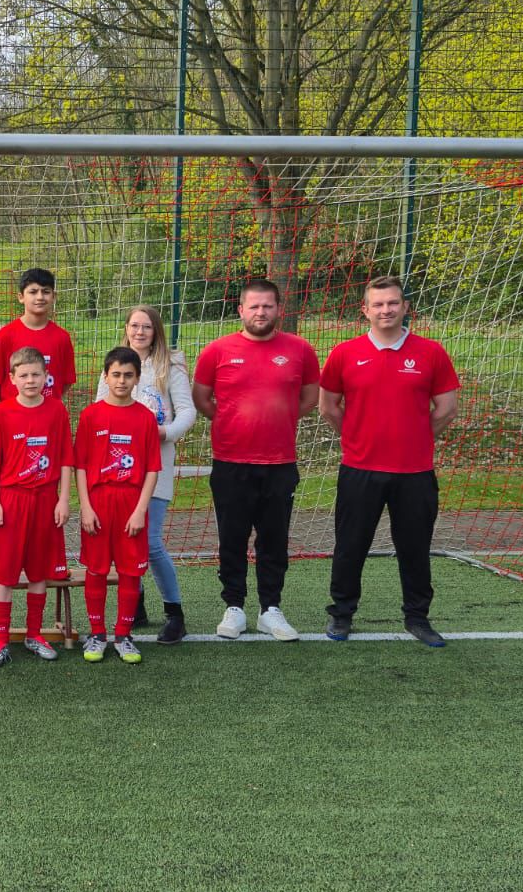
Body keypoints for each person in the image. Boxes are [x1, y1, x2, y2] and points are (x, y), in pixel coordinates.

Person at [318, 275, 461, 646]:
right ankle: (342, 614)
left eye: (393, 303)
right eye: (378, 304)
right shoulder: (344, 353)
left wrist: (417, 437)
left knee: (415, 547)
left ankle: (417, 618)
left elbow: (446, 407)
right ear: (365, 310)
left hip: (415, 472)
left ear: (405, 307)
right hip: (360, 469)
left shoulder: (431, 352)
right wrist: (355, 437)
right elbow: (328, 406)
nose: (386, 310)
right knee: (351, 545)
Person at [191, 278, 320, 642]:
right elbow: (202, 398)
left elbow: (309, 397)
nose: (261, 312)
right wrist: (233, 419)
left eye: (268, 306)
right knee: (231, 537)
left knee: (274, 539)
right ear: (241, 311)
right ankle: (234, 607)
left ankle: (270, 609)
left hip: (279, 462)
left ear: (279, 309)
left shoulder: (299, 349)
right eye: (254, 306)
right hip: (231, 462)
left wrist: (277, 418)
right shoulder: (217, 350)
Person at [95, 305, 197, 643]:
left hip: (156, 462)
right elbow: (100, 411)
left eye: (147, 327)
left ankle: (175, 613)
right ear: (126, 328)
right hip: (118, 469)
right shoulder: (115, 364)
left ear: (156, 331)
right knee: (126, 539)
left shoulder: (171, 363)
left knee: (150, 541)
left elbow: (187, 410)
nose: (140, 332)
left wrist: (164, 433)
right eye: (134, 326)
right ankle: (134, 607)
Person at [0, 346, 73, 666]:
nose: (31, 380)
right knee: (5, 575)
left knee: (38, 572)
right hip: (11, 498)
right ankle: (0, 639)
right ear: (12, 379)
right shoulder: (2, 413)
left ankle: (34, 634)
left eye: (36, 374)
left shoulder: (57, 411)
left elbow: (65, 458)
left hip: (46, 500)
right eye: (24, 375)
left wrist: (63, 498)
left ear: (46, 377)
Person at [77, 346, 163, 664]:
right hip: (98, 501)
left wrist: (141, 509)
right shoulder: (91, 415)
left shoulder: (144, 418)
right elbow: (81, 467)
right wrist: (85, 506)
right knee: (96, 570)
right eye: (116, 374)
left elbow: (153, 469)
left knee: (130, 571)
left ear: (137, 379)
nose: (122, 381)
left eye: (128, 375)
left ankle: (124, 636)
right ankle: (97, 634)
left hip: (131, 502)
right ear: (106, 376)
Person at [0, 267, 77, 404]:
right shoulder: (5, 335)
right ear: (21, 297)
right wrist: (13, 403)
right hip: (14, 415)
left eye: (46, 292)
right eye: (33, 292)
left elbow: (67, 380)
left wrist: (47, 402)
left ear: (53, 296)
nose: (40, 297)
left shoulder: (62, 337)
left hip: (48, 415)